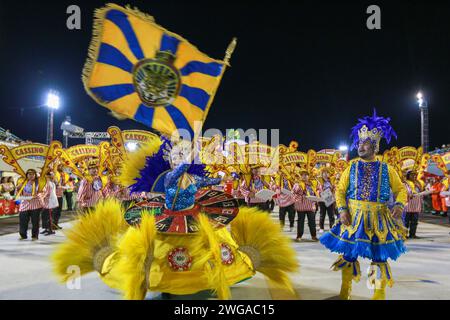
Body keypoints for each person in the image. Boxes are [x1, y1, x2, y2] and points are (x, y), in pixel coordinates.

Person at [53, 136, 298, 299]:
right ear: (172, 161)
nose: (181, 162)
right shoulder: (171, 177)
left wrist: (222, 177)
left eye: (182, 158)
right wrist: (186, 155)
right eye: (176, 158)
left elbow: (212, 180)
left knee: (212, 246)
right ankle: (164, 283)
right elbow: (180, 169)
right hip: (167, 218)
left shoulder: (193, 179)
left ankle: (209, 280)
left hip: (193, 215)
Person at [320, 110, 408, 300]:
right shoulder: (351, 167)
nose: (361, 146)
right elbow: (340, 190)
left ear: (375, 146)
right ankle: (345, 290)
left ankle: (378, 293)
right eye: (359, 142)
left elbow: (400, 189)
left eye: (365, 143)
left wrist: (399, 205)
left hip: (380, 219)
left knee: (379, 257)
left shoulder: (387, 169)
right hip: (354, 217)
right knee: (349, 255)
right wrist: (342, 209)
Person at [16, 169, 42, 241]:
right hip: (24, 204)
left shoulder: (38, 183)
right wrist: (18, 188)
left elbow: (42, 192)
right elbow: (17, 192)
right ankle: (23, 235)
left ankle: (34, 236)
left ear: (35, 175)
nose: (31, 176)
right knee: (23, 221)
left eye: (33, 174)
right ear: (27, 175)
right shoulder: (23, 182)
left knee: (35, 222)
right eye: (29, 174)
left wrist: (37, 195)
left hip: (35, 205)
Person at [293, 169, 319, 242]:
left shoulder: (313, 183)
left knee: (312, 221)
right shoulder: (297, 183)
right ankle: (299, 236)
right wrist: (299, 186)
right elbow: (294, 191)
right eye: (303, 175)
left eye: (306, 175)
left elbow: (318, 190)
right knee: (300, 221)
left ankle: (314, 236)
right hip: (301, 205)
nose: (304, 176)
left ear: (308, 176)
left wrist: (318, 192)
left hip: (310, 205)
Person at [404, 171, 425, 239]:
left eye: (415, 175)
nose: (414, 176)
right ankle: (404, 235)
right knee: (406, 221)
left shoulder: (418, 183)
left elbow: (421, 191)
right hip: (408, 204)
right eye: (412, 175)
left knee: (415, 221)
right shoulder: (405, 183)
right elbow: (404, 191)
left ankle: (412, 234)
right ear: (408, 176)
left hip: (416, 204)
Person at [317, 168, 336, 233]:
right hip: (322, 200)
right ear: (321, 174)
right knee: (322, 214)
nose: (325, 174)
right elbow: (316, 190)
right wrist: (319, 192)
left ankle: (332, 227)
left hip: (329, 199)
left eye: (326, 173)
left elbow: (334, 190)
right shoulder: (319, 181)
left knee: (331, 214)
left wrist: (333, 189)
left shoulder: (331, 181)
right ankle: (321, 227)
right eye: (323, 173)